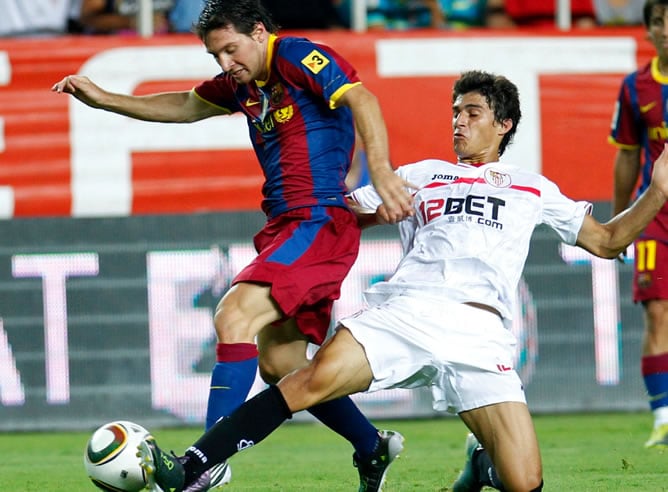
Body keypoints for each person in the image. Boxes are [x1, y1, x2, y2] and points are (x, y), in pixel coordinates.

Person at [135, 69, 668, 492]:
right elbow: (341, 216)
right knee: (307, 380)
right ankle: (194, 467)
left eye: (472, 113)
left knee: (524, 482)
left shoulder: (533, 188)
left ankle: (482, 467)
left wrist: (659, 191)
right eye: (455, 112)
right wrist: (325, 199)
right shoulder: (419, 174)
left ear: (503, 124)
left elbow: (608, 241)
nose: (458, 122)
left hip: (481, 335)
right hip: (406, 311)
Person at [53, 0, 414, 490]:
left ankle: (203, 462)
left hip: (317, 219)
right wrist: (107, 99)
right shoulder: (244, 83)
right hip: (285, 225)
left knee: (233, 315)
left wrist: (384, 172)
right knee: (281, 364)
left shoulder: (293, 56)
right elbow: (184, 104)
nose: (226, 64)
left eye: (230, 49)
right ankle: (372, 446)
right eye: (215, 56)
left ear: (260, 32)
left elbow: (363, 99)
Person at [609, 0, 668, 449]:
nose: (666, 30)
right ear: (647, 30)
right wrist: (620, 220)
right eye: (658, 21)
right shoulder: (635, 87)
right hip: (655, 213)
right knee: (657, 313)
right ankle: (663, 419)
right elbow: (628, 154)